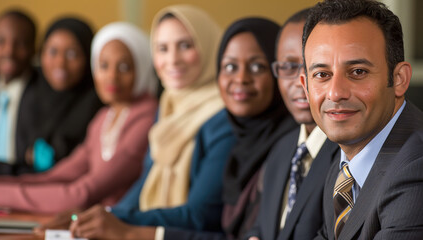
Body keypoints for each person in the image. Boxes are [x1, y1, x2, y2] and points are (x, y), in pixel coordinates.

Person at [68, 5, 236, 239]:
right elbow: (147, 179)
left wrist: (117, 221)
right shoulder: (168, 106)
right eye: (162, 49)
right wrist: (103, 215)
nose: (172, 60)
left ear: (208, 46)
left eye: (185, 45)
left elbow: (199, 215)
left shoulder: (224, 119)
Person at [0, 22, 158, 214]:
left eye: (124, 67)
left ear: (143, 67)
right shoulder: (105, 117)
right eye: (103, 65)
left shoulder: (147, 117)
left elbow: (82, 194)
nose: (111, 77)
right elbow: (55, 177)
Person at [159, 17, 295, 240]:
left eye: (257, 67)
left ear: (278, 71)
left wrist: (135, 232)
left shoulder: (290, 146)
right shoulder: (242, 140)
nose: (241, 79)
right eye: (230, 67)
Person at [300, 0, 423, 239]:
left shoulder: (416, 169)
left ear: (399, 79)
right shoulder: (345, 155)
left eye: (358, 72)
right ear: (306, 87)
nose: (336, 93)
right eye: (322, 75)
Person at [245, 8, 340, 240]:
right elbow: (264, 226)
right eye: (287, 67)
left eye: (313, 67)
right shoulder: (282, 149)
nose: (300, 82)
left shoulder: (348, 153)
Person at [16, 17, 104, 174]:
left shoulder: (98, 103)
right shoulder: (31, 92)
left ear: (89, 57)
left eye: (72, 54)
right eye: (53, 51)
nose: (60, 63)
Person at [0, 9, 38, 175]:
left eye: (20, 44)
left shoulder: (43, 94)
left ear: (34, 49)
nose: (8, 52)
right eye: (1, 41)